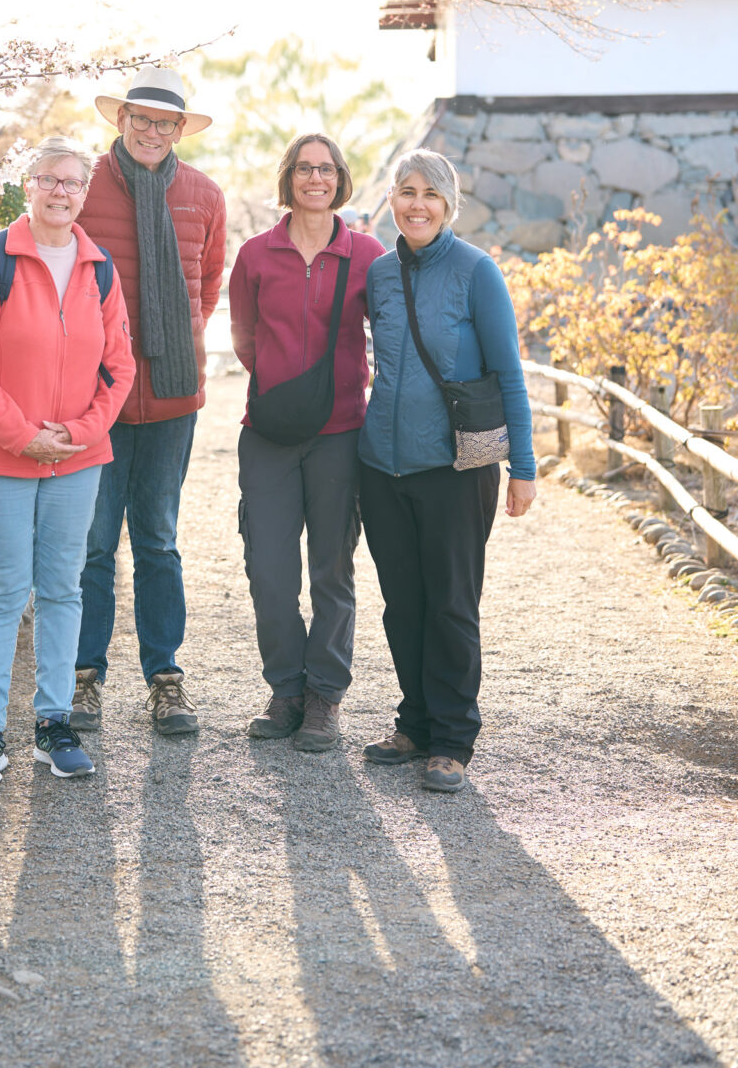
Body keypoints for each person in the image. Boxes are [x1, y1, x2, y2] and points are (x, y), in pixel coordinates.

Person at [0, 136, 135, 788]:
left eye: (73, 183)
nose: (61, 192)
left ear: (85, 194)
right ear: (28, 185)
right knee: (2, 592)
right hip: (1, 459)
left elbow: (120, 367)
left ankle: (54, 723)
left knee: (62, 589)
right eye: (50, 180)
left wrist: (78, 434)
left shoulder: (97, 268)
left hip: (77, 461)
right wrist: (22, 435)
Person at [358, 148, 536, 793]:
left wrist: (525, 465)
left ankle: (453, 738)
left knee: (451, 605)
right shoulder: (377, 273)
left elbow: (508, 375)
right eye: (405, 191)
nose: (416, 204)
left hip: (458, 467)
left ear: (449, 204)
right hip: (381, 466)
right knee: (402, 605)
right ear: (392, 200)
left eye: (430, 193)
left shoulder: (476, 271)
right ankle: (415, 721)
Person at [70, 66, 226, 736]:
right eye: (142, 119)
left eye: (166, 122)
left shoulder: (203, 195)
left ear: (179, 129)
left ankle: (166, 679)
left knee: (158, 540)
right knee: (94, 544)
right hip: (93, 398)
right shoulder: (81, 188)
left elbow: (207, 286)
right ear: (122, 121)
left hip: (170, 397)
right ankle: (82, 680)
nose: (153, 131)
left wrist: (176, 343)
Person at [229, 133, 385, 751]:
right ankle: (285, 688)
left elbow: (388, 332)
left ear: (340, 178)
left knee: (331, 568)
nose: (314, 178)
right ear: (288, 177)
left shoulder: (368, 254)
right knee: (268, 568)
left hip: (341, 433)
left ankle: (324, 695)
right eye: (303, 168)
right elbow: (244, 334)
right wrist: (282, 390)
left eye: (325, 169)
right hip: (268, 432)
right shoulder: (256, 254)